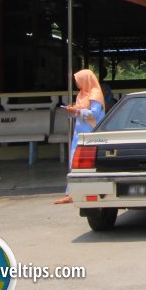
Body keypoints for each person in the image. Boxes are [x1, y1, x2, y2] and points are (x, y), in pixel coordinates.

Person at [54, 68, 106, 205]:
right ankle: (70, 193)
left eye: (77, 80)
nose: (76, 83)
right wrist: (73, 110)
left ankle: (78, 192)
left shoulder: (95, 94)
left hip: (90, 134)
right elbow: (80, 111)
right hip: (79, 133)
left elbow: (94, 114)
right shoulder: (82, 94)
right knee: (73, 162)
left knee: (86, 164)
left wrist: (76, 111)